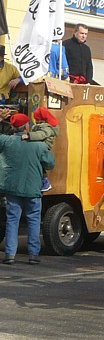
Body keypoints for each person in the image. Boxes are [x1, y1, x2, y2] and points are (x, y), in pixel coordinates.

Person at [0, 113, 55, 265]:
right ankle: (33, 254)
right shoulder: (39, 146)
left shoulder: (7, 141)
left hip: (12, 188)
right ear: (26, 127)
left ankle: (10, 254)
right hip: (32, 188)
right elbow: (50, 163)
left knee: (12, 220)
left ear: (13, 127)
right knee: (34, 220)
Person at [22, 107, 60, 192]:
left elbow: (41, 135)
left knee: (39, 164)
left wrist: (29, 136)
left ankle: (45, 182)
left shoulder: (46, 127)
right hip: (39, 147)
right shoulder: (42, 126)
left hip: (43, 147)